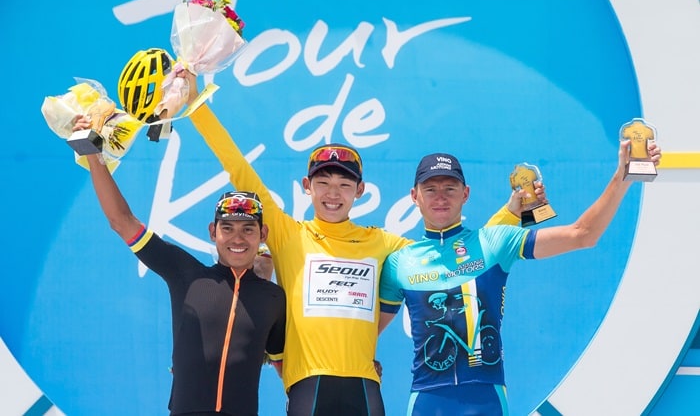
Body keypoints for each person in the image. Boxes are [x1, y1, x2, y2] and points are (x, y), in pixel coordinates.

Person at [186, 88, 544, 415]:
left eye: (344, 184)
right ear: (306, 186)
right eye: (323, 183)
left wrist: (512, 213)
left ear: (360, 190)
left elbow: (457, 254)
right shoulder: (287, 233)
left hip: (364, 384)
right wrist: (195, 104)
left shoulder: (382, 243)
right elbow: (238, 168)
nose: (333, 193)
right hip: (308, 383)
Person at [377, 140, 662, 416]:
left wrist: (622, 176)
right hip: (428, 400)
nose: (440, 197)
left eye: (450, 188)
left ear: (465, 194)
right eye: (430, 189)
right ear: (414, 195)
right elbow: (367, 331)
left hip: (486, 399)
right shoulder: (400, 262)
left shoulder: (495, 242)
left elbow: (583, 235)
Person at [72, 116, 286, 416]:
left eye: (248, 229)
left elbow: (286, 368)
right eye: (228, 228)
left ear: (262, 235)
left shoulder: (274, 298)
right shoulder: (186, 274)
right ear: (213, 232)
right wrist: (92, 154)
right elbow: (122, 222)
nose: (237, 238)